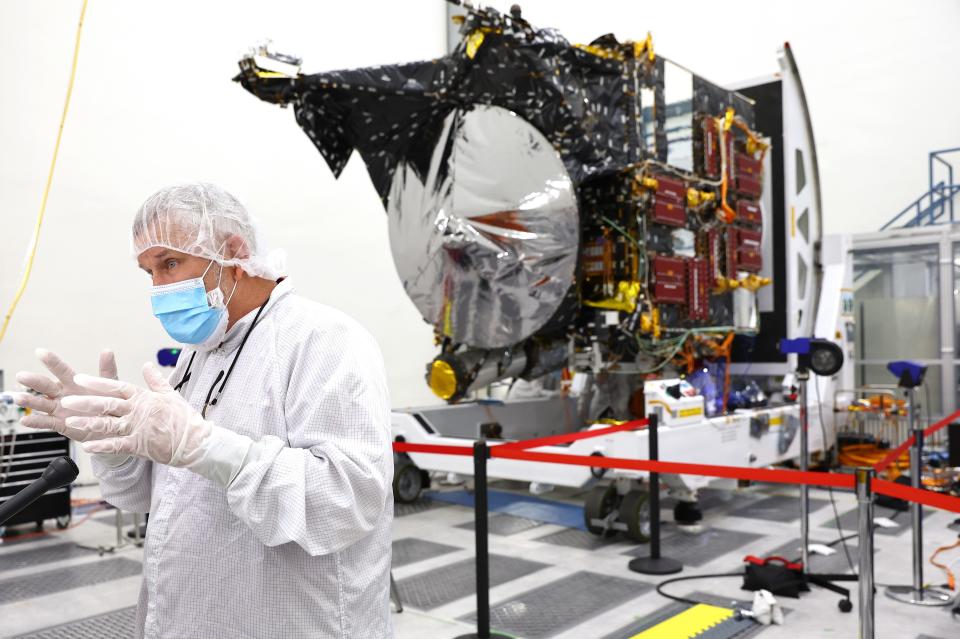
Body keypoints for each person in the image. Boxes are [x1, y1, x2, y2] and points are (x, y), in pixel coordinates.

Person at [14, 183, 394, 638]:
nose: (157, 288)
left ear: (234, 251)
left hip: (290, 620)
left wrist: (207, 448)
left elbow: (347, 500)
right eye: (147, 272)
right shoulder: (201, 354)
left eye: (170, 264)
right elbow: (154, 498)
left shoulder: (325, 339)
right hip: (191, 614)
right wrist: (111, 440)